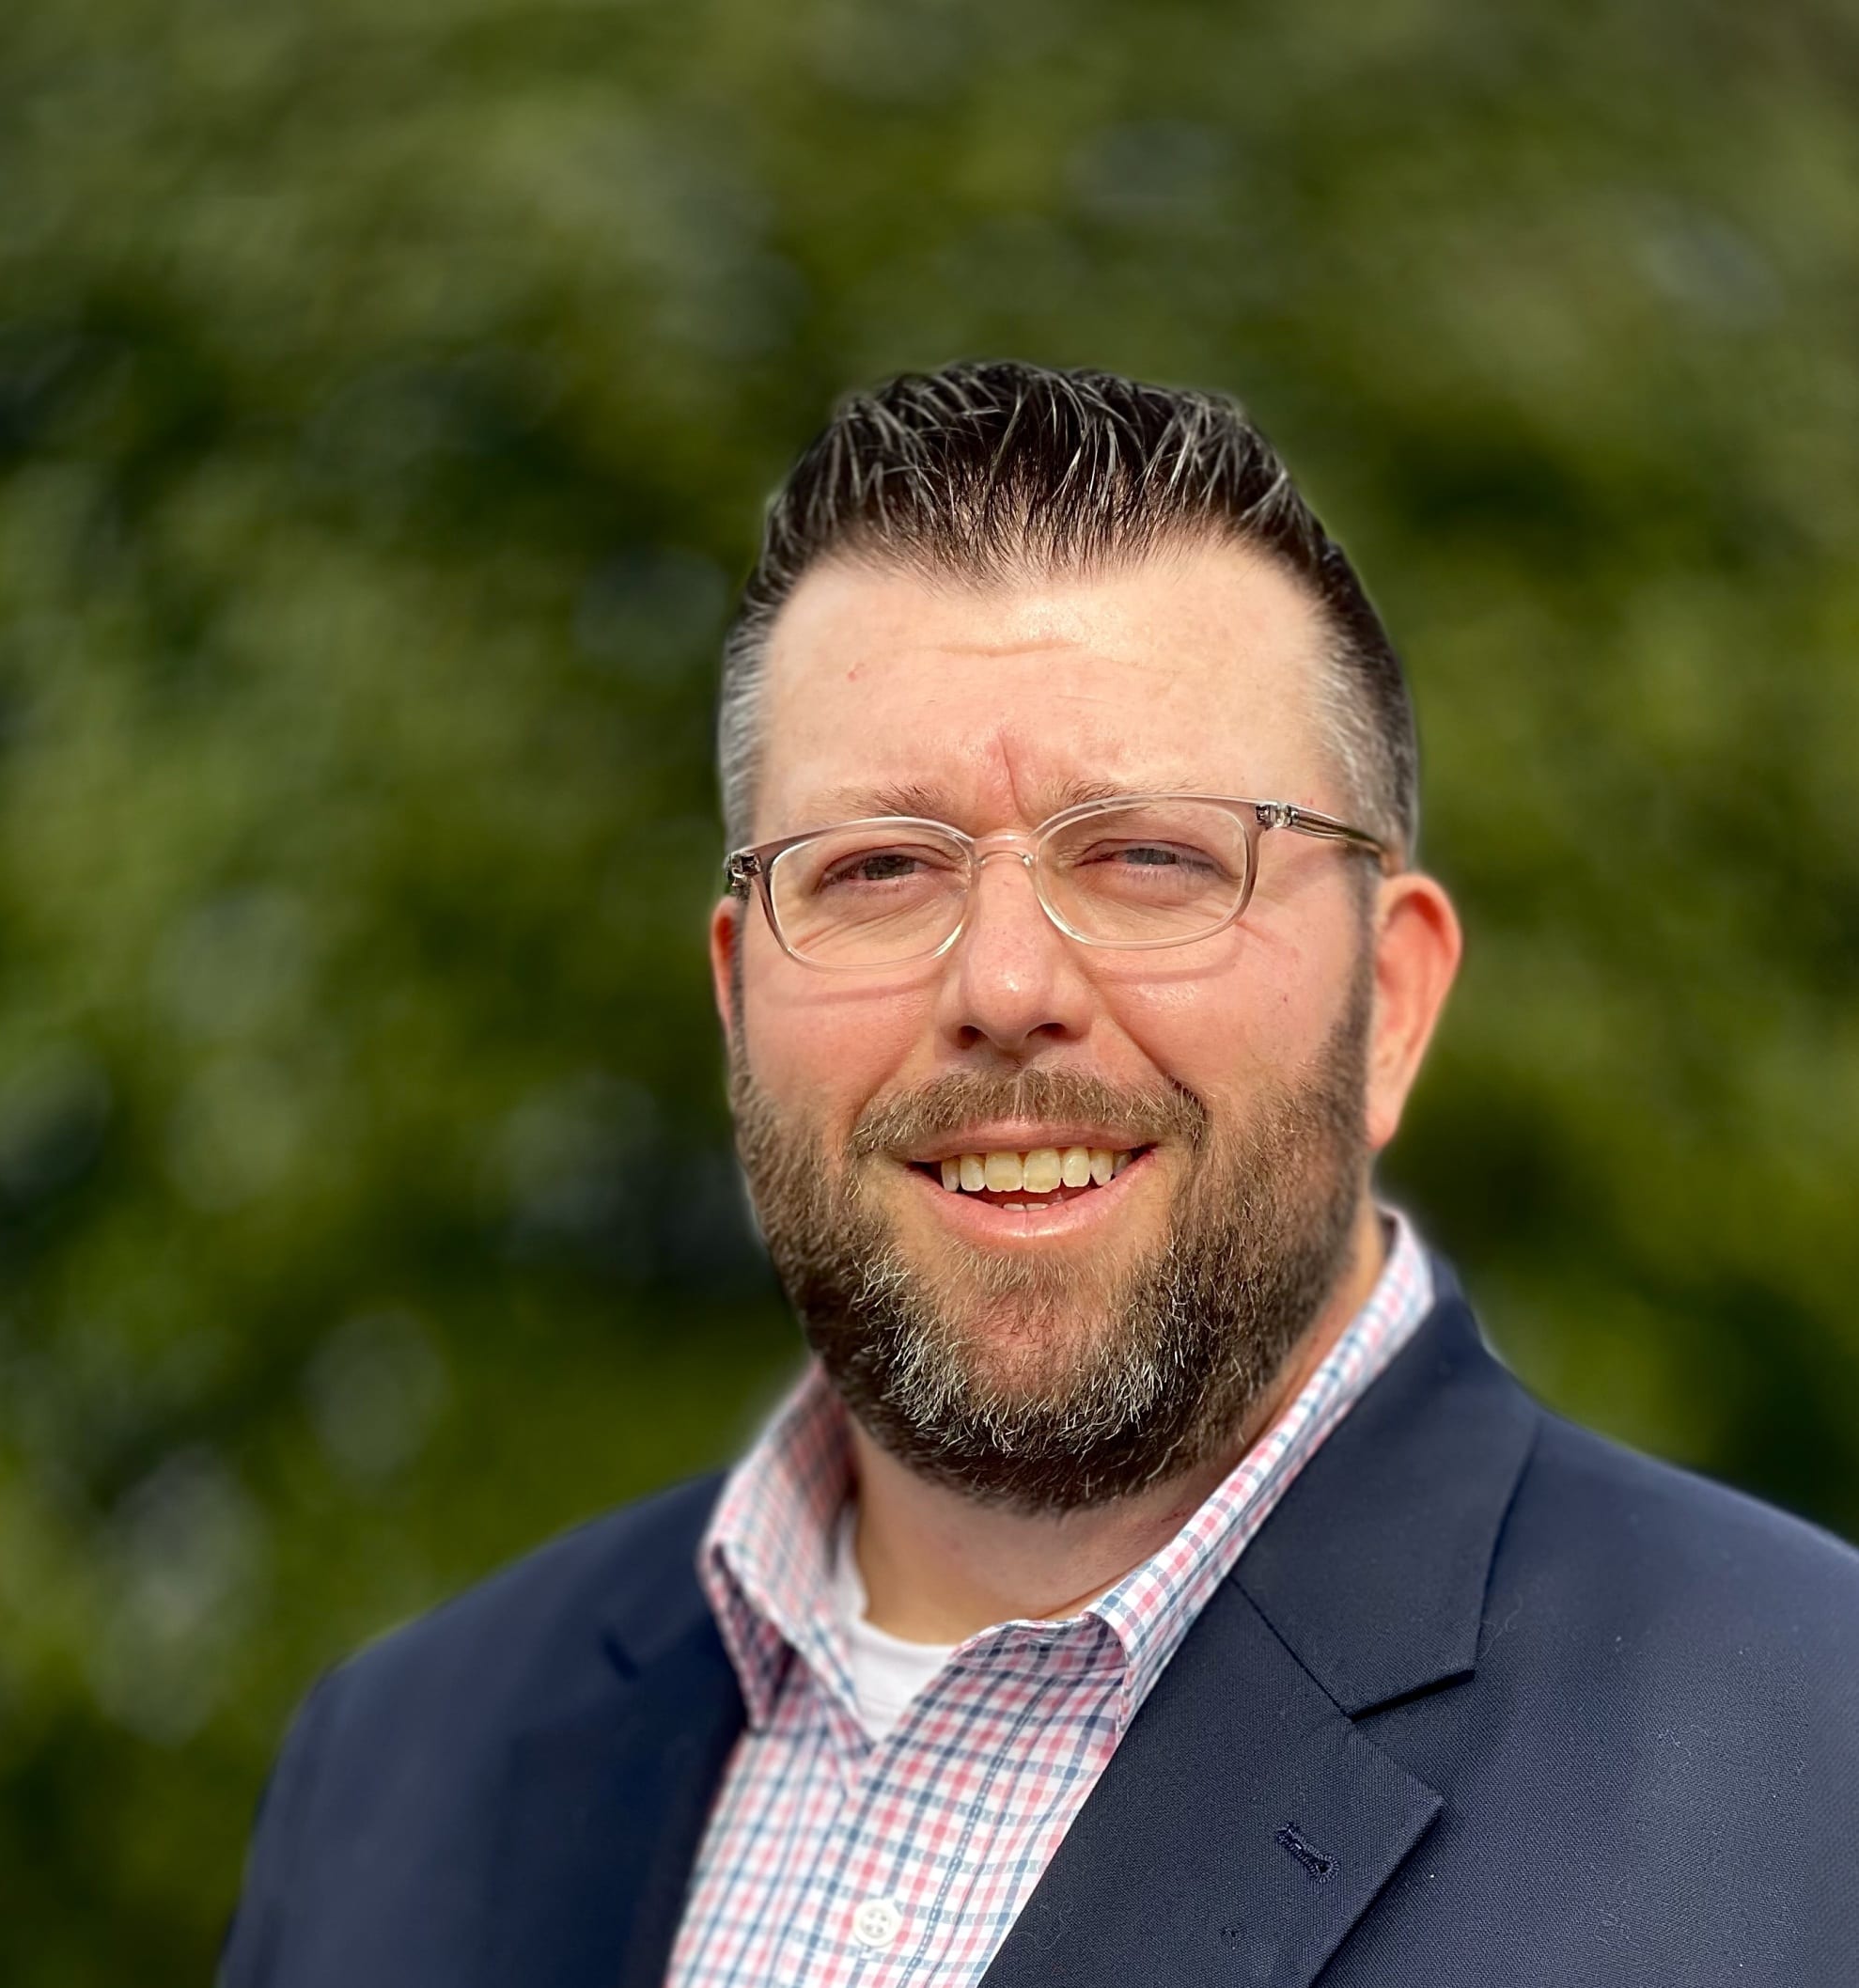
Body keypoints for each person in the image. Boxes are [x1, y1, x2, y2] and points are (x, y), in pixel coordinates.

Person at [221, 363, 1859, 1988]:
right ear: (738, 999)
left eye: (1150, 856)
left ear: (1394, 1002)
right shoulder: (395, 1772)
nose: (1005, 986)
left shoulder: (1815, 1777)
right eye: (877, 868)